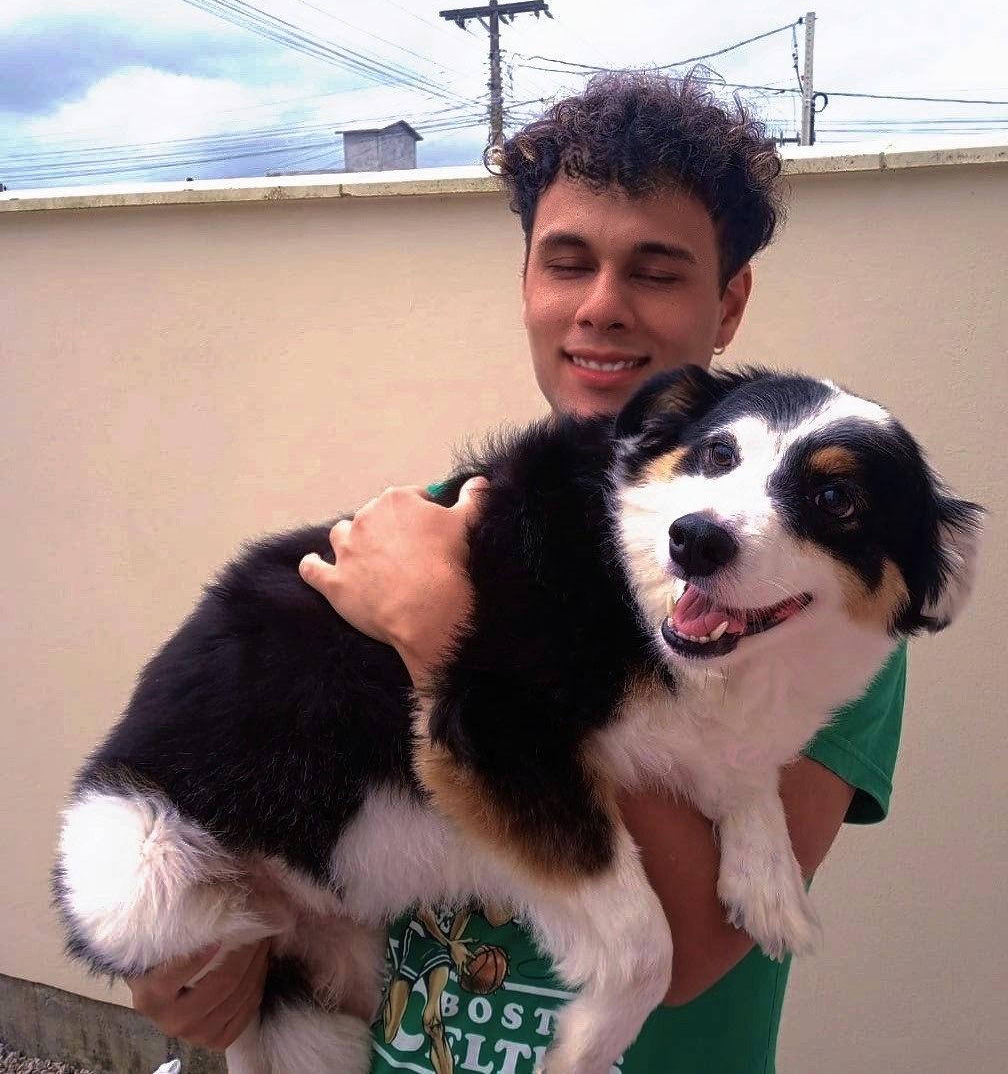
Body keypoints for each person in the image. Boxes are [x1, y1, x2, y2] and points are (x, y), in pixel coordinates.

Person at [128, 72, 906, 1073]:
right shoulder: (419, 534)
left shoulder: (808, 607)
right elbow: (279, 820)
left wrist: (449, 636)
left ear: (729, 301)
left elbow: (700, 948)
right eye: (567, 262)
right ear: (527, 280)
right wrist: (206, 949)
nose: (602, 307)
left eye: (656, 271)